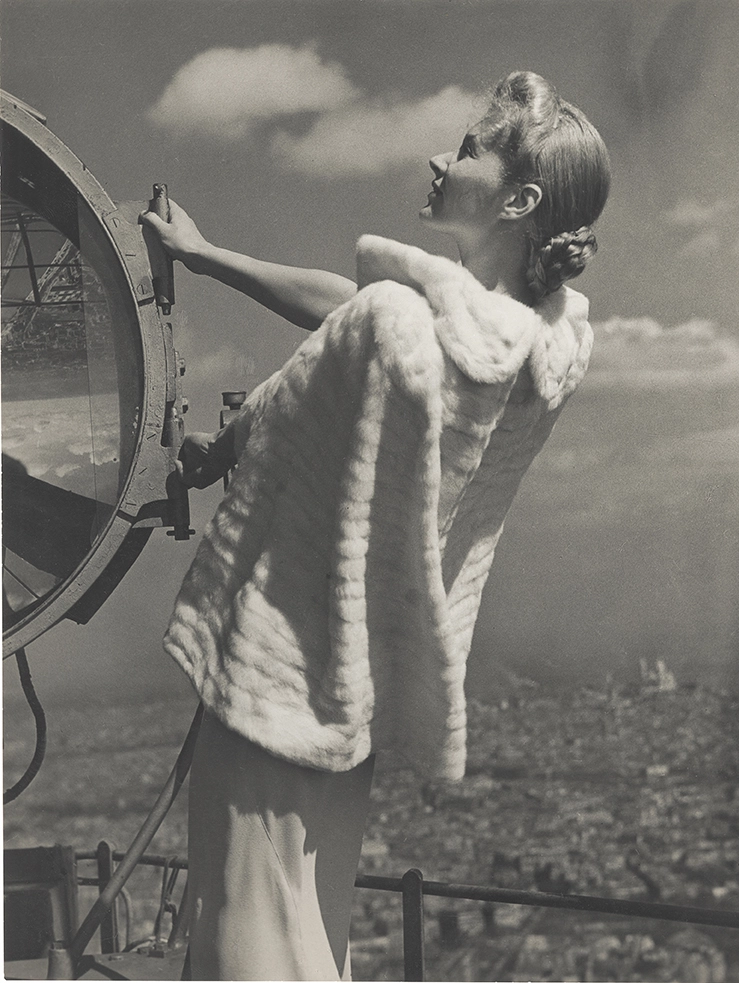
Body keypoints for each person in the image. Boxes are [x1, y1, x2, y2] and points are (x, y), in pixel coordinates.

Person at [141, 70, 611, 981]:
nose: (441, 156)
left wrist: (222, 413)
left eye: (470, 147)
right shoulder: (536, 351)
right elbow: (360, 320)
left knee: (248, 924)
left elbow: (340, 347)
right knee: (309, 921)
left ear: (519, 198)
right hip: (352, 690)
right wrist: (205, 258)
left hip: (276, 672)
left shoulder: (401, 327)